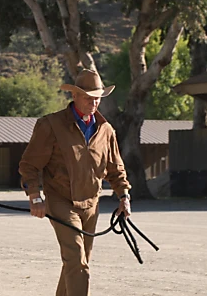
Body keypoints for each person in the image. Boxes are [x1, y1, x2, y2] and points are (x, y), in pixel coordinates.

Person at [18, 69, 132, 296]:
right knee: (78, 264)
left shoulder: (106, 130)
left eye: (97, 97)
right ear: (75, 96)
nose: (94, 102)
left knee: (76, 263)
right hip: (61, 202)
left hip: (92, 205)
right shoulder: (50, 125)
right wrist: (35, 196)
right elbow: (29, 165)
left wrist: (124, 196)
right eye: (89, 97)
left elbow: (115, 169)